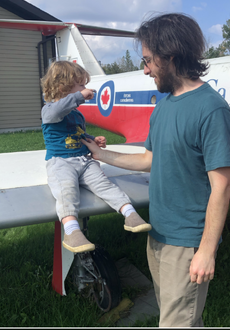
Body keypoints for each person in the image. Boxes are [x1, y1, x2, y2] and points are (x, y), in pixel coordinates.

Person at [82, 13, 230, 327]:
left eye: (149, 60)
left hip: (188, 242)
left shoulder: (212, 110)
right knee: (178, 317)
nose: (145, 69)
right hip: (159, 234)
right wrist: (101, 154)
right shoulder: (164, 104)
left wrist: (206, 251)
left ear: (171, 56)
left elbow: (221, 188)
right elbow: (147, 160)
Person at [41, 60, 151, 254]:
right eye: (81, 85)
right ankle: (72, 232)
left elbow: (77, 133)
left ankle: (130, 214)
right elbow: (57, 112)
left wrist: (92, 139)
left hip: (84, 161)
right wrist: (79, 96)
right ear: (63, 87)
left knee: (104, 185)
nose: (85, 88)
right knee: (67, 192)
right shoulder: (49, 110)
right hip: (61, 162)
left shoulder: (76, 115)